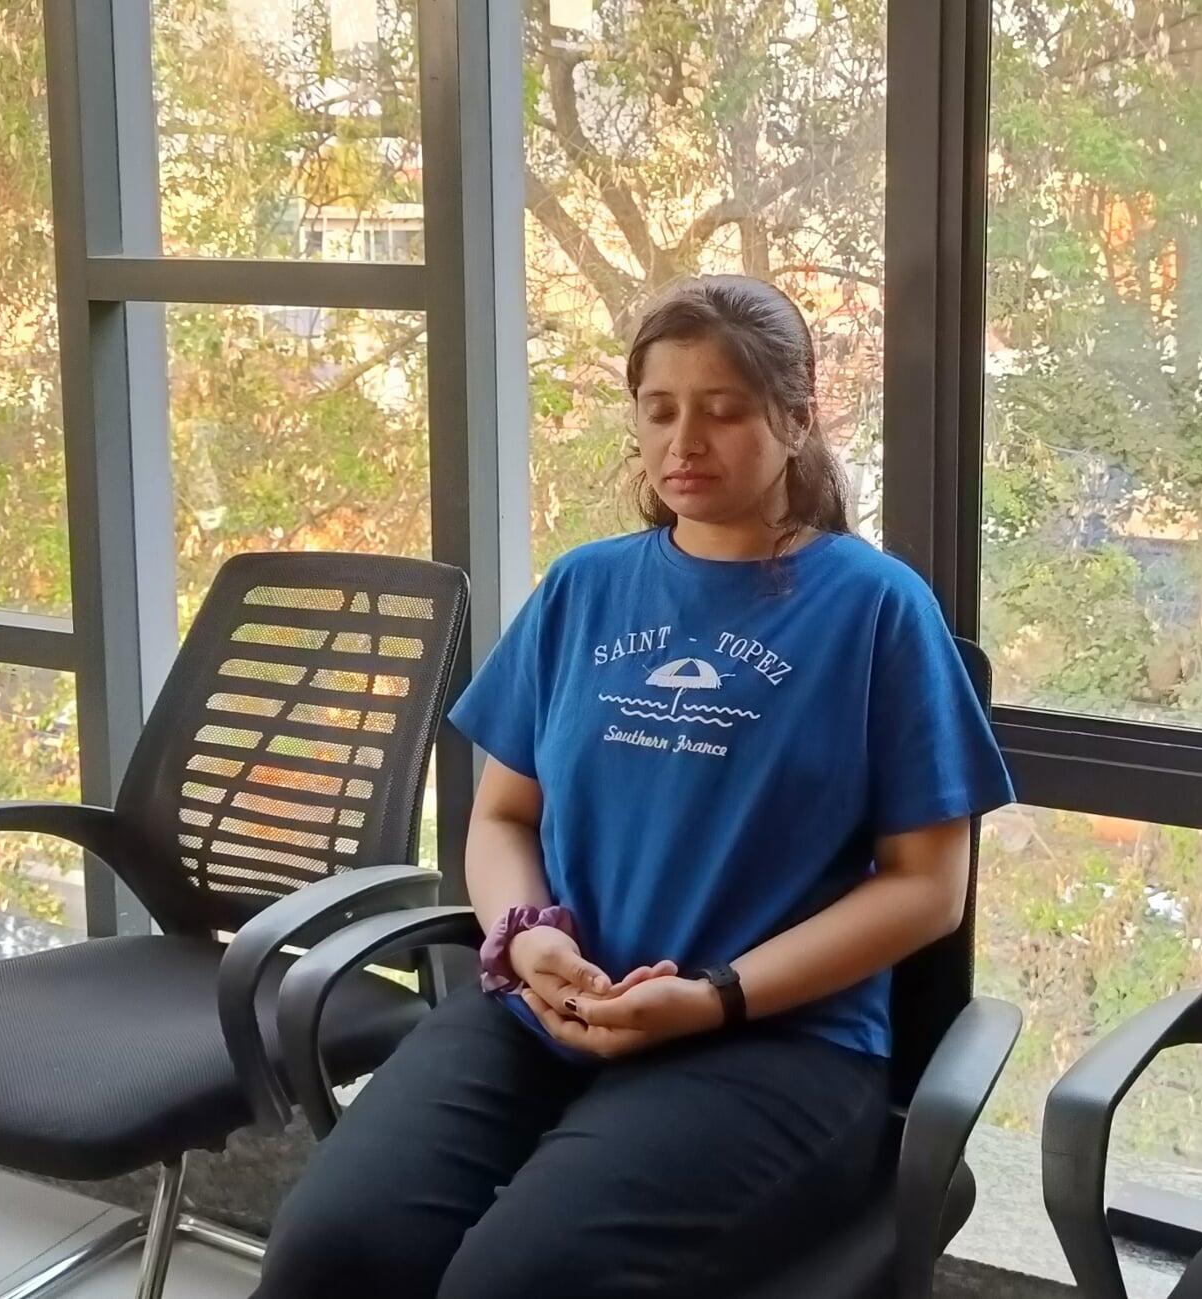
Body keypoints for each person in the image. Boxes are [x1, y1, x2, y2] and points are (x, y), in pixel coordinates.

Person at [251, 275, 1014, 1299]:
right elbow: (502, 815)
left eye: (724, 410)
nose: (682, 442)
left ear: (795, 421)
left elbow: (928, 887)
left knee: (515, 1285)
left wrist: (713, 998)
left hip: (769, 1042)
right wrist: (525, 935)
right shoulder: (585, 586)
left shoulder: (877, 612)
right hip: (547, 1007)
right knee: (329, 1249)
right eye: (659, 411)